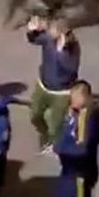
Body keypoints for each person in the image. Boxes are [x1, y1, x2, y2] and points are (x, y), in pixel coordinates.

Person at [26, 16, 80, 154]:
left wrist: (60, 52)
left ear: (61, 33)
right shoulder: (49, 39)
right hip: (43, 86)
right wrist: (32, 32)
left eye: (51, 30)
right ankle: (46, 135)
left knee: (56, 126)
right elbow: (34, 40)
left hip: (61, 93)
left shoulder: (73, 48)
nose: (48, 31)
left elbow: (70, 68)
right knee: (35, 116)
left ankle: (55, 144)